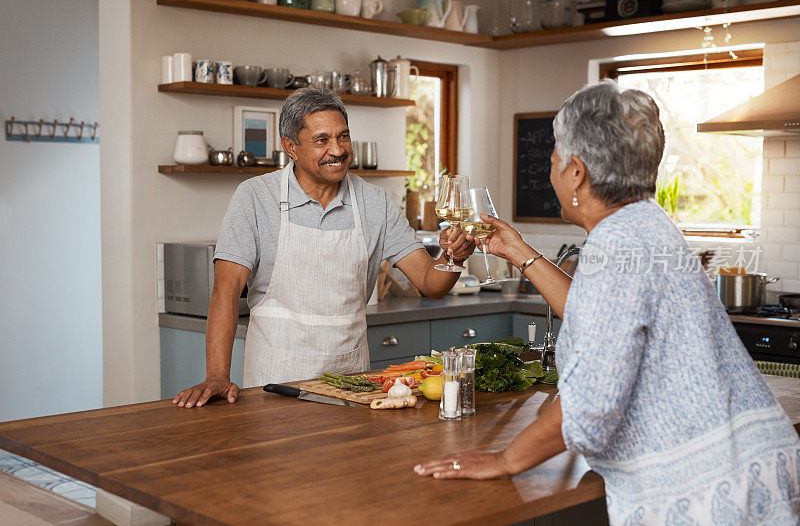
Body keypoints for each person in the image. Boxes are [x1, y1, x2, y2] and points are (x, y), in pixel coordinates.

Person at [414, 80, 800, 525]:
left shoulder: (615, 247)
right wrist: (518, 251)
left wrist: (508, 459)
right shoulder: (646, 225)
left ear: (577, 172)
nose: (553, 167)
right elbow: (599, 315)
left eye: (555, 158)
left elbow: (591, 401)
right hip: (749, 463)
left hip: (709, 486)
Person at [173, 87, 475, 408]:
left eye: (343, 137)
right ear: (291, 147)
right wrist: (217, 375)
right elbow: (225, 291)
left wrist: (453, 257)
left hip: (352, 381)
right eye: (322, 140)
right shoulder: (255, 197)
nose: (337, 149)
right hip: (277, 380)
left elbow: (432, 284)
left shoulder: (374, 203)